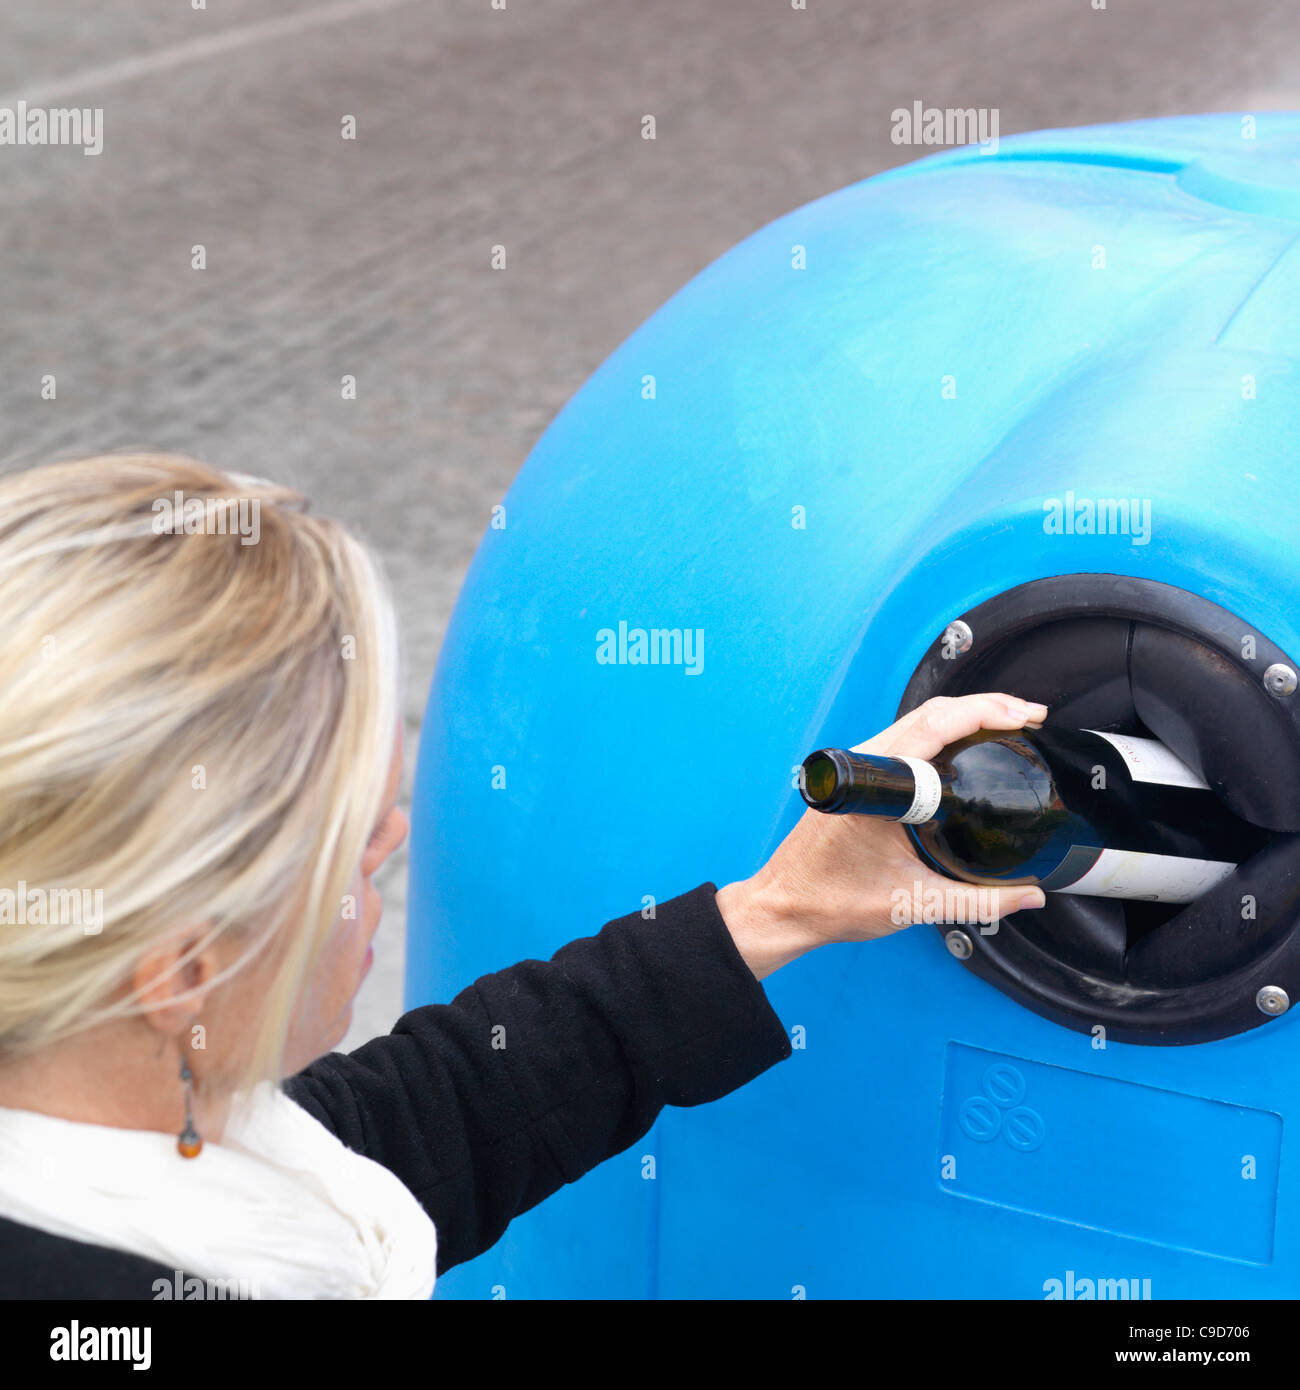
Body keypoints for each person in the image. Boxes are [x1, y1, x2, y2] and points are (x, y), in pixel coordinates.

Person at [0, 453, 1048, 1299]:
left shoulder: (127, 1118)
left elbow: (409, 1125)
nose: (397, 835)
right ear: (182, 970)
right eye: (351, 841)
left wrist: (771, 913)